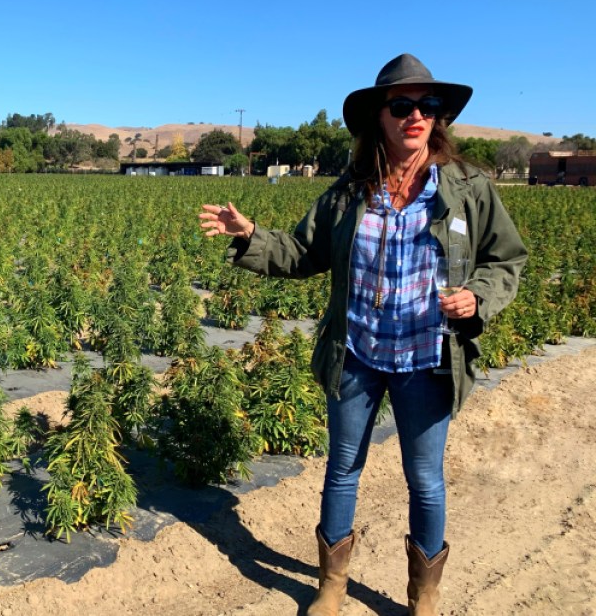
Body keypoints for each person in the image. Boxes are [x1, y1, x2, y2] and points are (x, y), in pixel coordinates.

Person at [198, 54, 527, 616]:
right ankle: (332, 585)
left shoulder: (469, 188)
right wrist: (251, 235)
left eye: (429, 106)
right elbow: (304, 252)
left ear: (439, 118)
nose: (416, 115)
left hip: (429, 355)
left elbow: (507, 260)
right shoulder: (350, 193)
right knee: (342, 468)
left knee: (424, 479)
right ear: (380, 116)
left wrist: (478, 298)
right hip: (358, 352)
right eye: (403, 106)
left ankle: (424, 592)